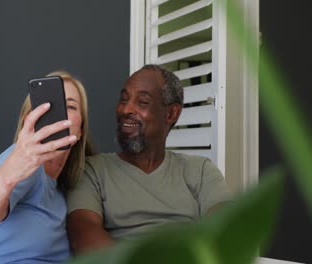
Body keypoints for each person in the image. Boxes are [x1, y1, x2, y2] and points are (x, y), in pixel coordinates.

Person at [66, 64, 231, 254]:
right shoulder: (92, 170)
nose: (126, 109)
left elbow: (226, 229)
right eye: (124, 99)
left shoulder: (200, 170)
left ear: (171, 113)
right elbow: (83, 236)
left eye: (142, 102)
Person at [0, 70, 94, 264]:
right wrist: (11, 172)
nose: (61, 114)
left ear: (80, 130)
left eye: (71, 106)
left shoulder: (62, 193)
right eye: (51, 107)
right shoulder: (24, 165)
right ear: (29, 121)